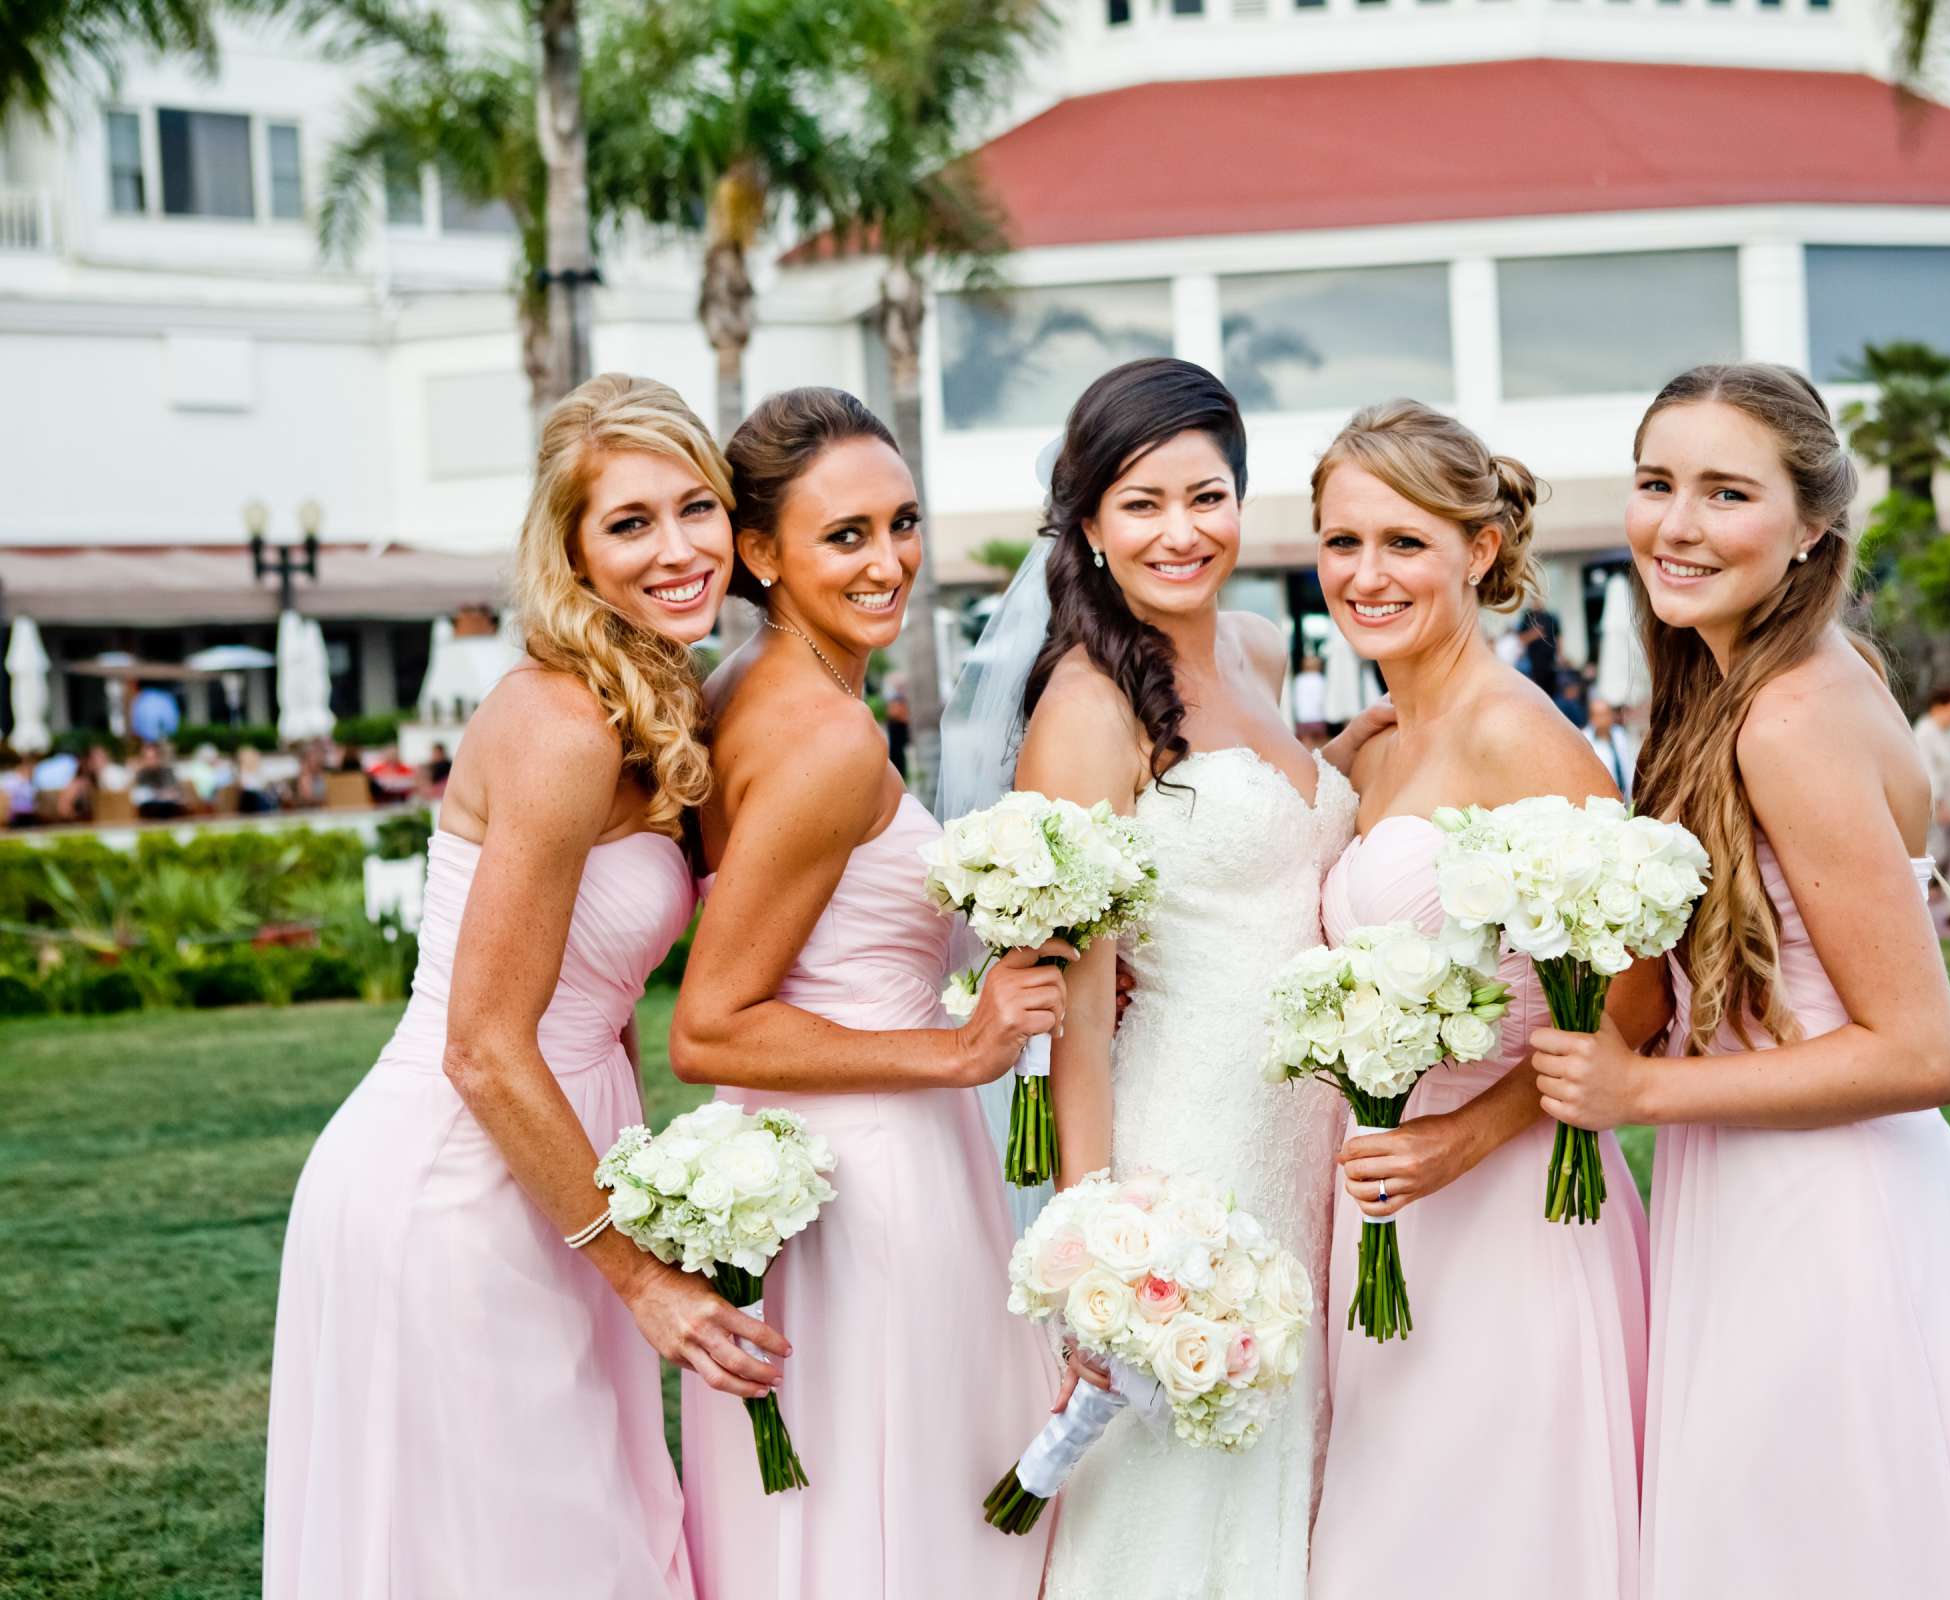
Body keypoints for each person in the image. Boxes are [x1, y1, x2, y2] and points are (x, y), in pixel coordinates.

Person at [1530, 364, 1950, 1598]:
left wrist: (1636, 1091)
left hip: (1828, 1206)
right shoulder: (1772, 679)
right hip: (1761, 1172)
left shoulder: (1789, 716)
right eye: (1658, 483)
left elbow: (1919, 1052)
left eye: (1728, 493)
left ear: (1811, 525)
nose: (1677, 525)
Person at [265, 374, 773, 1600]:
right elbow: (483, 1044)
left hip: (566, 1164)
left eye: (695, 508)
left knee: (588, 1529)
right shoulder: (560, 723)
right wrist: (641, 1277)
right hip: (454, 1183)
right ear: (574, 551)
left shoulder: (653, 703)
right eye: (630, 522)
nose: (676, 549)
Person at [667, 389, 1059, 1599]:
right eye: (846, 536)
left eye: (901, 523)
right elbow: (707, 1024)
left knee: (827, 1518)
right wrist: (963, 1051)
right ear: (760, 553)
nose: (889, 561)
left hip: (791, 1169)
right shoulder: (830, 741)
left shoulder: (741, 689)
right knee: (909, 1510)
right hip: (875, 1174)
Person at [1009, 358, 1374, 1599]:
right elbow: (1073, 1015)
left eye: (1206, 496)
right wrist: (1093, 1256)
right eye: (1142, 502)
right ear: (1091, 525)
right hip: (1191, 1150)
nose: (1181, 531)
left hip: (1310, 1141)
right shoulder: (1086, 706)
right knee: (1180, 1491)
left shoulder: (1263, 651)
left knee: (1299, 1465)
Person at [1307, 400, 1648, 1599]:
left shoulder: (1521, 737)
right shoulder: (1378, 741)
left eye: (1404, 542)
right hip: (1382, 1203)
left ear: (1479, 549)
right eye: (1342, 543)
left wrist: (1464, 1135)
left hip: (1510, 1201)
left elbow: (1640, 993)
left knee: (1498, 1537)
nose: (1367, 574)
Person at [1913, 685, 1950, 922]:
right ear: (1939, 707)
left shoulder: (1946, 734)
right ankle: (1913, 902)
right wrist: (1938, 804)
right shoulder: (1925, 733)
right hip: (1940, 807)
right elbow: (1928, 771)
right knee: (1935, 854)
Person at [1590, 699, 1640, 797]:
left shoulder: (1621, 734)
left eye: (1607, 714)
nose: (1604, 719)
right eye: (1600, 715)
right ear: (1592, 718)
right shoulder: (1586, 740)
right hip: (1603, 798)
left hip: (1627, 796)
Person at [1293, 651, 1330, 746]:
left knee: (1305, 740)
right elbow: (1323, 698)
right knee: (1320, 739)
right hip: (1317, 715)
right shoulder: (1320, 679)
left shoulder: (1299, 679)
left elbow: (1296, 699)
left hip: (1303, 716)